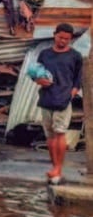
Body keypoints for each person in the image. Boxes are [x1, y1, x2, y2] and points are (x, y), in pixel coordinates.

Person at [33, 22, 83, 184]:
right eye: (61, 37)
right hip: (46, 97)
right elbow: (36, 73)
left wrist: (73, 91)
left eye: (67, 39)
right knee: (49, 135)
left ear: (70, 39)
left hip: (63, 98)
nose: (63, 41)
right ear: (55, 35)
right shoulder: (44, 54)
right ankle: (54, 167)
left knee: (60, 132)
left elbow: (78, 78)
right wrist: (38, 80)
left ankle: (58, 169)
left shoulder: (75, 56)